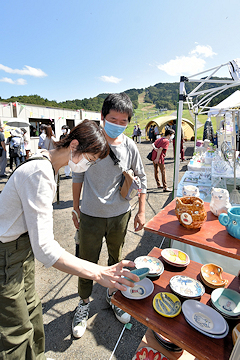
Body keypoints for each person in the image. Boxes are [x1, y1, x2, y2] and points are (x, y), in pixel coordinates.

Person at [0, 119, 139, 360]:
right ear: (74, 145)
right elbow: (45, 248)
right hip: (7, 255)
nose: (88, 166)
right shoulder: (39, 173)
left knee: (32, 311)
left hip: (22, 249)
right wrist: (99, 273)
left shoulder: (47, 163)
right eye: (91, 159)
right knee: (15, 331)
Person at [71, 93, 147, 338]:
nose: (118, 124)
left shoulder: (130, 146)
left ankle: (114, 297)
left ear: (128, 123)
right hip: (90, 215)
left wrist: (142, 211)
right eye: (112, 118)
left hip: (120, 215)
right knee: (86, 262)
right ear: (102, 117)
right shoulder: (91, 143)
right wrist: (75, 207)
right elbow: (77, 176)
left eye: (123, 121)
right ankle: (83, 303)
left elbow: (142, 179)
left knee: (117, 259)